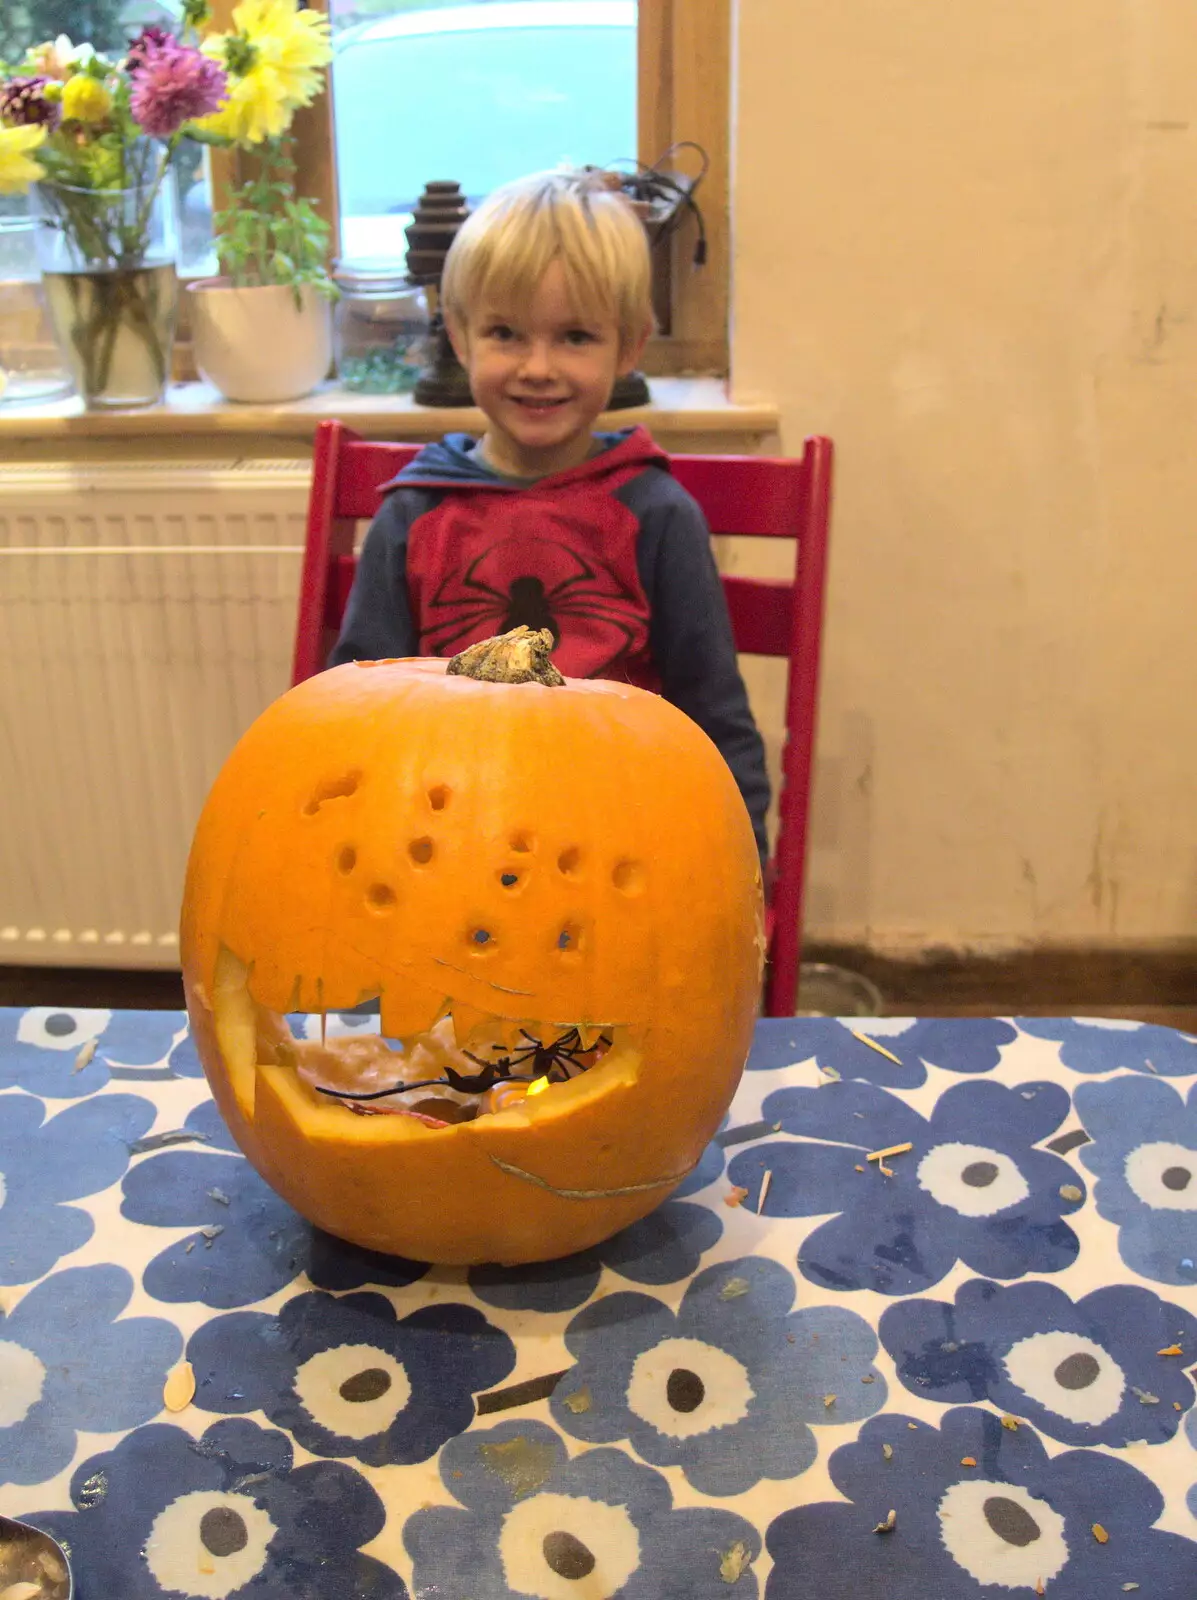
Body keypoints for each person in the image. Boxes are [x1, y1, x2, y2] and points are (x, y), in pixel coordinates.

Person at [330, 167, 770, 863]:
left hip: (619, 840)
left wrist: (744, 862)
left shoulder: (656, 513)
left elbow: (713, 714)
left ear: (627, 346)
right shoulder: (412, 515)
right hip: (443, 842)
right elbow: (354, 715)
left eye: (574, 337)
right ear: (460, 336)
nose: (538, 367)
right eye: (505, 332)